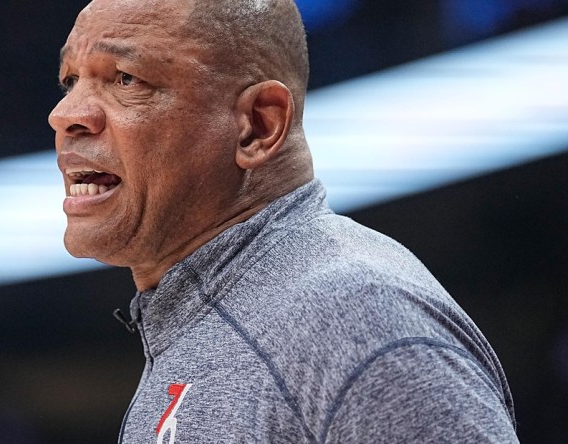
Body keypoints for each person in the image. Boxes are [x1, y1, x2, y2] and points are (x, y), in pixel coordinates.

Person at [48, 0, 519, 442]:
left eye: (127, 79)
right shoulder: (217, 319)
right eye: (71, 81)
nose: (65, 115)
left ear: (258, 125)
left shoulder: (350, 318)